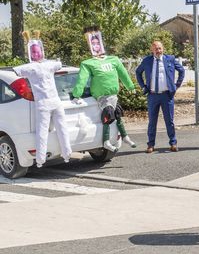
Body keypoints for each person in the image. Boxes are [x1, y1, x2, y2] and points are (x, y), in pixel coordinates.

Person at [72, 27, 136, 152]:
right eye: (93, 43)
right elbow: (82, 79)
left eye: (97, 43)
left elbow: (123, 74)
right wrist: (77, 94)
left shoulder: (114, 60)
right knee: (108, 115)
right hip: (102, 97)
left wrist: (131, 86)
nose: (96, 46)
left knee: (117, 115)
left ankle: (125, 136)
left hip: (114, 95)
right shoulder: (88, 63)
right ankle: (106, 141)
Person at [14, 31, 72, 168]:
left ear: (30, 54)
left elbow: (16, 71)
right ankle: (67, 154)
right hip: (56, 101)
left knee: (42, 131)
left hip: (42, 104)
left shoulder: (30, 68)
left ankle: (40, 160)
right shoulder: (50, 65)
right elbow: (59, 64)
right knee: (62, 128)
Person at [135, 40, 185, 153]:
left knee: (170, 121)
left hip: (167, 95)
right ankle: (150, 145)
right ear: (152, 50)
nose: (158, 50)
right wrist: (143, 86)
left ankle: (173, 143)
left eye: (160, 48)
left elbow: (181, 71)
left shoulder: (170, 59)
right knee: (152, 121)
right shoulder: (147, 61)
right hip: (152, 96)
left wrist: (176, 85)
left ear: (163, 49)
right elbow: (138, 72)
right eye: (156, 48)